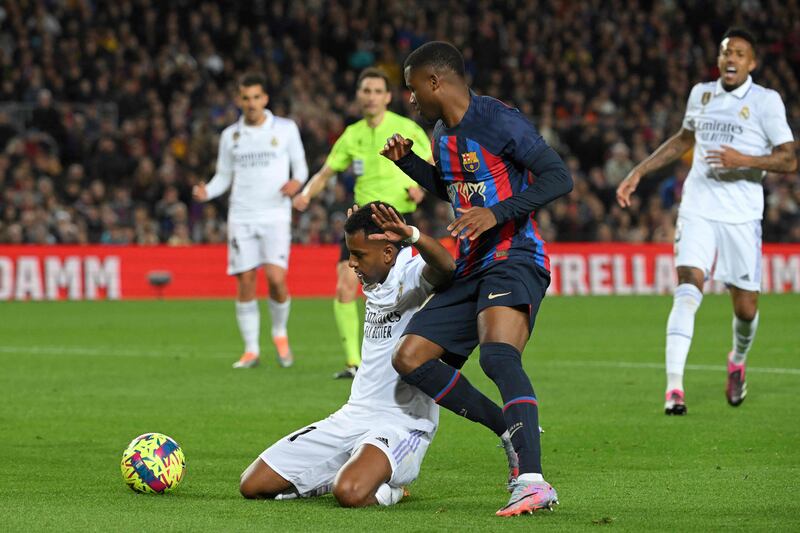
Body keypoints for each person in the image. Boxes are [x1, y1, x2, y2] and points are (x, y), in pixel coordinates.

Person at [380, 42, 573, 517]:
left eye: (411, 89)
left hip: (514, 256)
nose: (409, 100)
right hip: (470, 266)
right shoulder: (441, 132)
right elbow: (456, 187)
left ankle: (533, 481)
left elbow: (558, 177)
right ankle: (509, 429)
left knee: (498, 356)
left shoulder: (500, 120)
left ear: (434, 82)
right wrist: (410, 165)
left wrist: (497, 214)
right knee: (410, 357)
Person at [616, 27, 797, 415]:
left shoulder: (766, 102)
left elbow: (789, 158)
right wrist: (639, 171)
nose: (731, 58)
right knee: (688, 286)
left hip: (741, 216)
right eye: (725, 51)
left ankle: (737, 360)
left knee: (746, 309)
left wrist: (744, 161)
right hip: (698, 206)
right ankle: (674, 388)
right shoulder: (701, 94)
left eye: (740, 53)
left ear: (752, 63)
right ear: (718, 59)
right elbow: (683, 139)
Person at [238, 202, 455, 507]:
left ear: (389, 253)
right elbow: (371, 254)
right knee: (253, 484)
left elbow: (447, 266)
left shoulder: (412, 274)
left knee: (350, 493)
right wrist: (362, 237)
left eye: (359, 255)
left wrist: (413, 235)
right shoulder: (376, 277)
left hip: (402, 424)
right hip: (353, 415)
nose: (352, 263)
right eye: (351, 253)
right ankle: (356, 469)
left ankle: (390, 488)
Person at [293, 67, 432, 379]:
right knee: (344, 285)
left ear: (387, 97)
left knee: (406, 291)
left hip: (397, 220)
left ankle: (412, 353)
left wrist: (420, 188)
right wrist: (306, 195)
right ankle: (354, 363)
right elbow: (326, 172)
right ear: (358, 96)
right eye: (365, 91)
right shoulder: (352, 134)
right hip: (361, 221)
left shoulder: (405, 128)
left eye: (376, 91)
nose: (370, 97)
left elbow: (432, 164)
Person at [193, 74, 309, 369]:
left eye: (256, 97)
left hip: (275, 214)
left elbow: (301, 168)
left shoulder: (285, 129)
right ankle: (251, 350)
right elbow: (223, 176)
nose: (251, 103)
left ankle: (280, 333)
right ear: (239, 100)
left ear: (265, 99)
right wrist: (208, 191)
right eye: (246, 98)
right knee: (245, 281)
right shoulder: (230, 135)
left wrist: (296, 183)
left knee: (275, 279)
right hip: (242, 215)